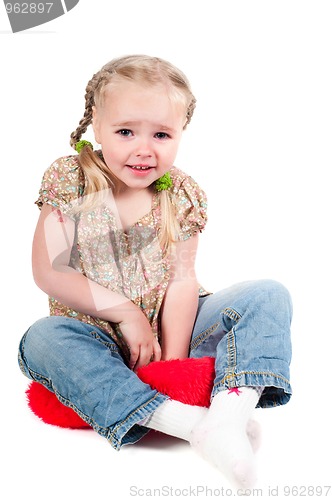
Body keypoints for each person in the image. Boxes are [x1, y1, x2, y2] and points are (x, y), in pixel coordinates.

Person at [18, 55, 292, 489]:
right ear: (96, 127)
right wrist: (126, 313)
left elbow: (183, 282)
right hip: (95, 335)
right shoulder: (70, 177)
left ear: (180, 134)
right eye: (125, 132)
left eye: (161, 134)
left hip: (169, 330)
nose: (144, 149)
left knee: (268, 294)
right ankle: (191, 424)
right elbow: (50, 271)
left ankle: (229, 412)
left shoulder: (182, 194)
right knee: (40, 340)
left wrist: (175, 360)